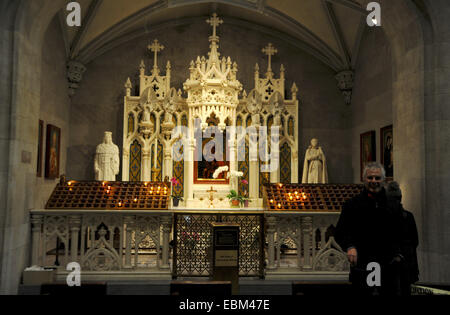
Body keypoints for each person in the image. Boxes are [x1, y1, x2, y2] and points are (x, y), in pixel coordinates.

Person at [335, 162, 403, 295]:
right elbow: (341, 232)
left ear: (383, 180)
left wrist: (398, 254)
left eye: (377, 178)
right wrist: (350, 246)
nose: (374, 181)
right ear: (364, 179)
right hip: (362, 264)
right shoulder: (351, 205)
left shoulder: (394, 205)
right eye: (370, 177)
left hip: (388, 265)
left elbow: (402, 233)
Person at [385, 181, 419, 295]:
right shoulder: (408, 216)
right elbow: (415, 241)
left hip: (393, 262)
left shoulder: (385, 217)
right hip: (405, 260)